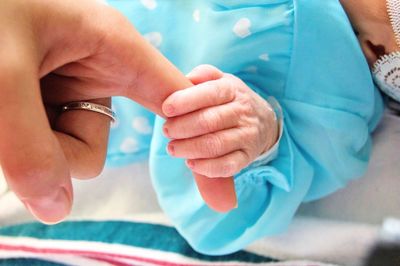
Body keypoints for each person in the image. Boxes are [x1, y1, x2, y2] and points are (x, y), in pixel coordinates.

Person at [107, 0, 397, 255]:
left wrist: (263, 136)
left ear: (376, 49)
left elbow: (219, 220)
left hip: (84, 89)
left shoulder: (339, 110)